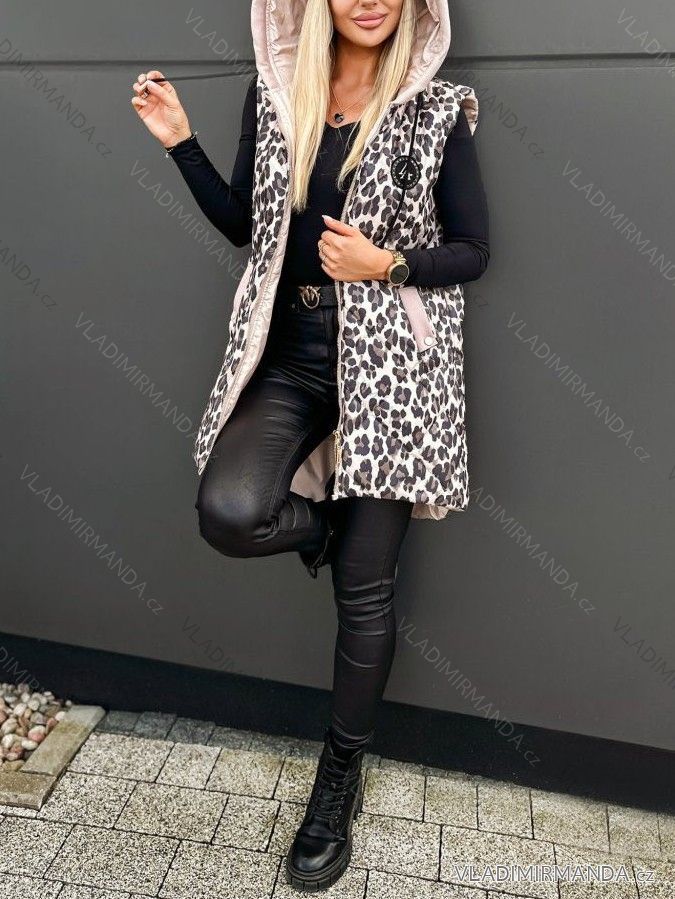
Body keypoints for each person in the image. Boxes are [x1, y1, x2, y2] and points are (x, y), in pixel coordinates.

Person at [131, 0, 489, 890]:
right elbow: (249, 227)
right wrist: (180, 143)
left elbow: (475, 250)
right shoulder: (278, 93)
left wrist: (388, 264)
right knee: (230, 510)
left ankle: (337, 780)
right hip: (293, 355)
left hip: (390, 365)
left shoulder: (436, 109)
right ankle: (326, 530)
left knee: (365, 594)